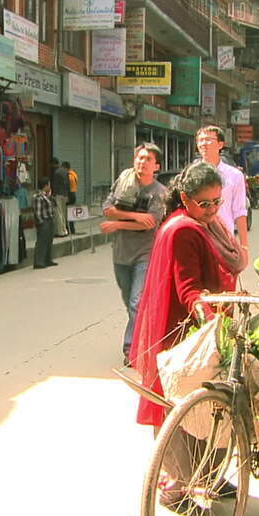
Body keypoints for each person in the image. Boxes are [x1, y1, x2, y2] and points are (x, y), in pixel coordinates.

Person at [129, 161, 243, 513]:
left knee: (206, 410)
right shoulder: (185, 230)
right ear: (184, 199)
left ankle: (207, 474)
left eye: (216, 202)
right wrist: (211, 322)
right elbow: (189, 289)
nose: (211, 210)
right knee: (185, 410)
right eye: (204, 203)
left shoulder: (196, 224)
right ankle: (176, 486)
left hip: (186, 329)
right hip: (183, 334)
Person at [101, 144, 168, 362]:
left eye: (148, 159)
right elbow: (107, 209)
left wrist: (118, 224)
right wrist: (136, 216)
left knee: (136, 302)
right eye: (140, 158)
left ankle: (132, 350)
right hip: (121, 253)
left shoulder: (159, 193)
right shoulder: (123, 183)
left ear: (156, 166)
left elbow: (150, 224)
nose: (142, 162)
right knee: (129, 300)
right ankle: (146, 336)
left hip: (145, 254)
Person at [195, 125, 249, 251]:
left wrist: (244, 247)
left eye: (208, 139)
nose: (203, 143)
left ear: (220, 144)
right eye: (200, 140)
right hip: (198, 238)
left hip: (224, 239)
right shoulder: (190, 174)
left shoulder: (235, 176)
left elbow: (240, 211)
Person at [33, 177, 58, 269]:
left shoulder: (48, 196)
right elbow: (37, 211)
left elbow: (54, 204)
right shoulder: (38, 196)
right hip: (44, 220)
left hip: (50, 219)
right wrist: (40, 222)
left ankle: (48, 259)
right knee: (42, 241)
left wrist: (50, 196)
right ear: (45, 186)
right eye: (49, 185)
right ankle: (39, 261)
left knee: (49, 240)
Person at [50, 158, 71, 237]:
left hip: (58, 194)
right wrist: (67, 194)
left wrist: (53, 194)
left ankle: (60, 231)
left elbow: (54, 184)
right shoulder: (65, 172)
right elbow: (68, 184)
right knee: (64, 213)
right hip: (64, 194)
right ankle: (65, 230)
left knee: (59, 213)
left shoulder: (56, 172)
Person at [65, 161, 79, 235]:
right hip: (73, 194)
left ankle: (70, 229)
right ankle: (72, 229)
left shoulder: (69, 176)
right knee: (71, 213)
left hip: (70, 194)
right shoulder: (74, 174)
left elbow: (67, 186)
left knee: (68, 213)